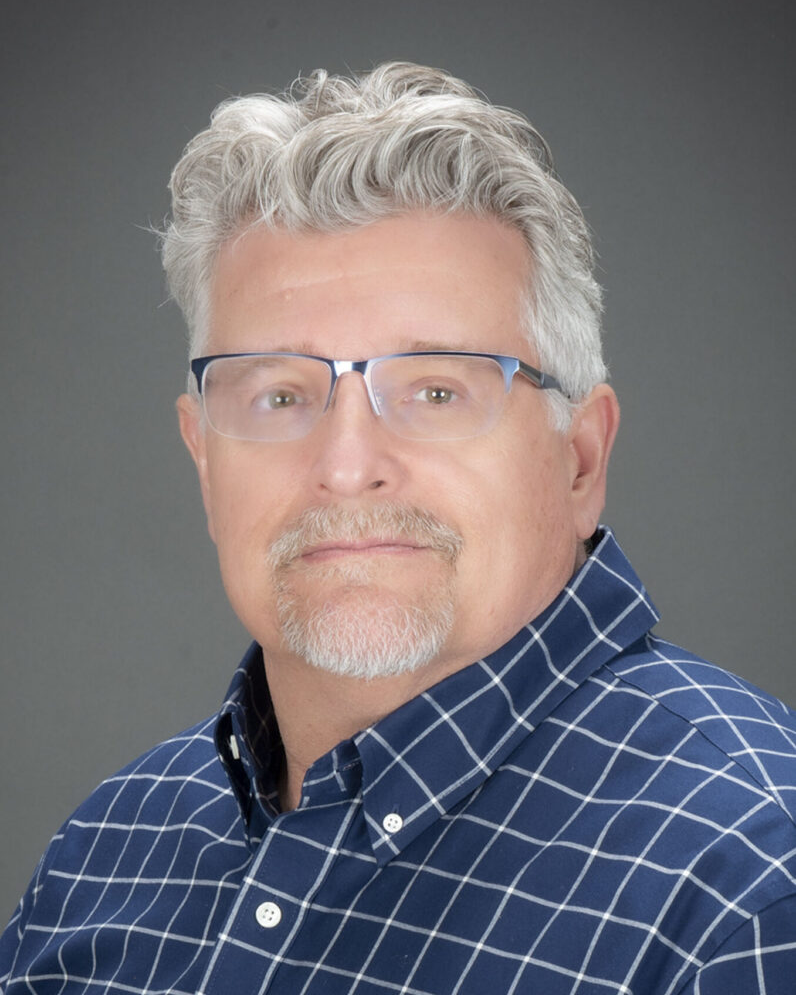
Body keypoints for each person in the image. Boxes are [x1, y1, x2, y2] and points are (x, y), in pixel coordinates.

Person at [1, 62, 794, 995]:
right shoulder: (106, 856)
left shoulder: (748, 882)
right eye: (280, 393)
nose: (345, 465)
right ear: (205, 462)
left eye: (434, 390)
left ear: (580, 459)